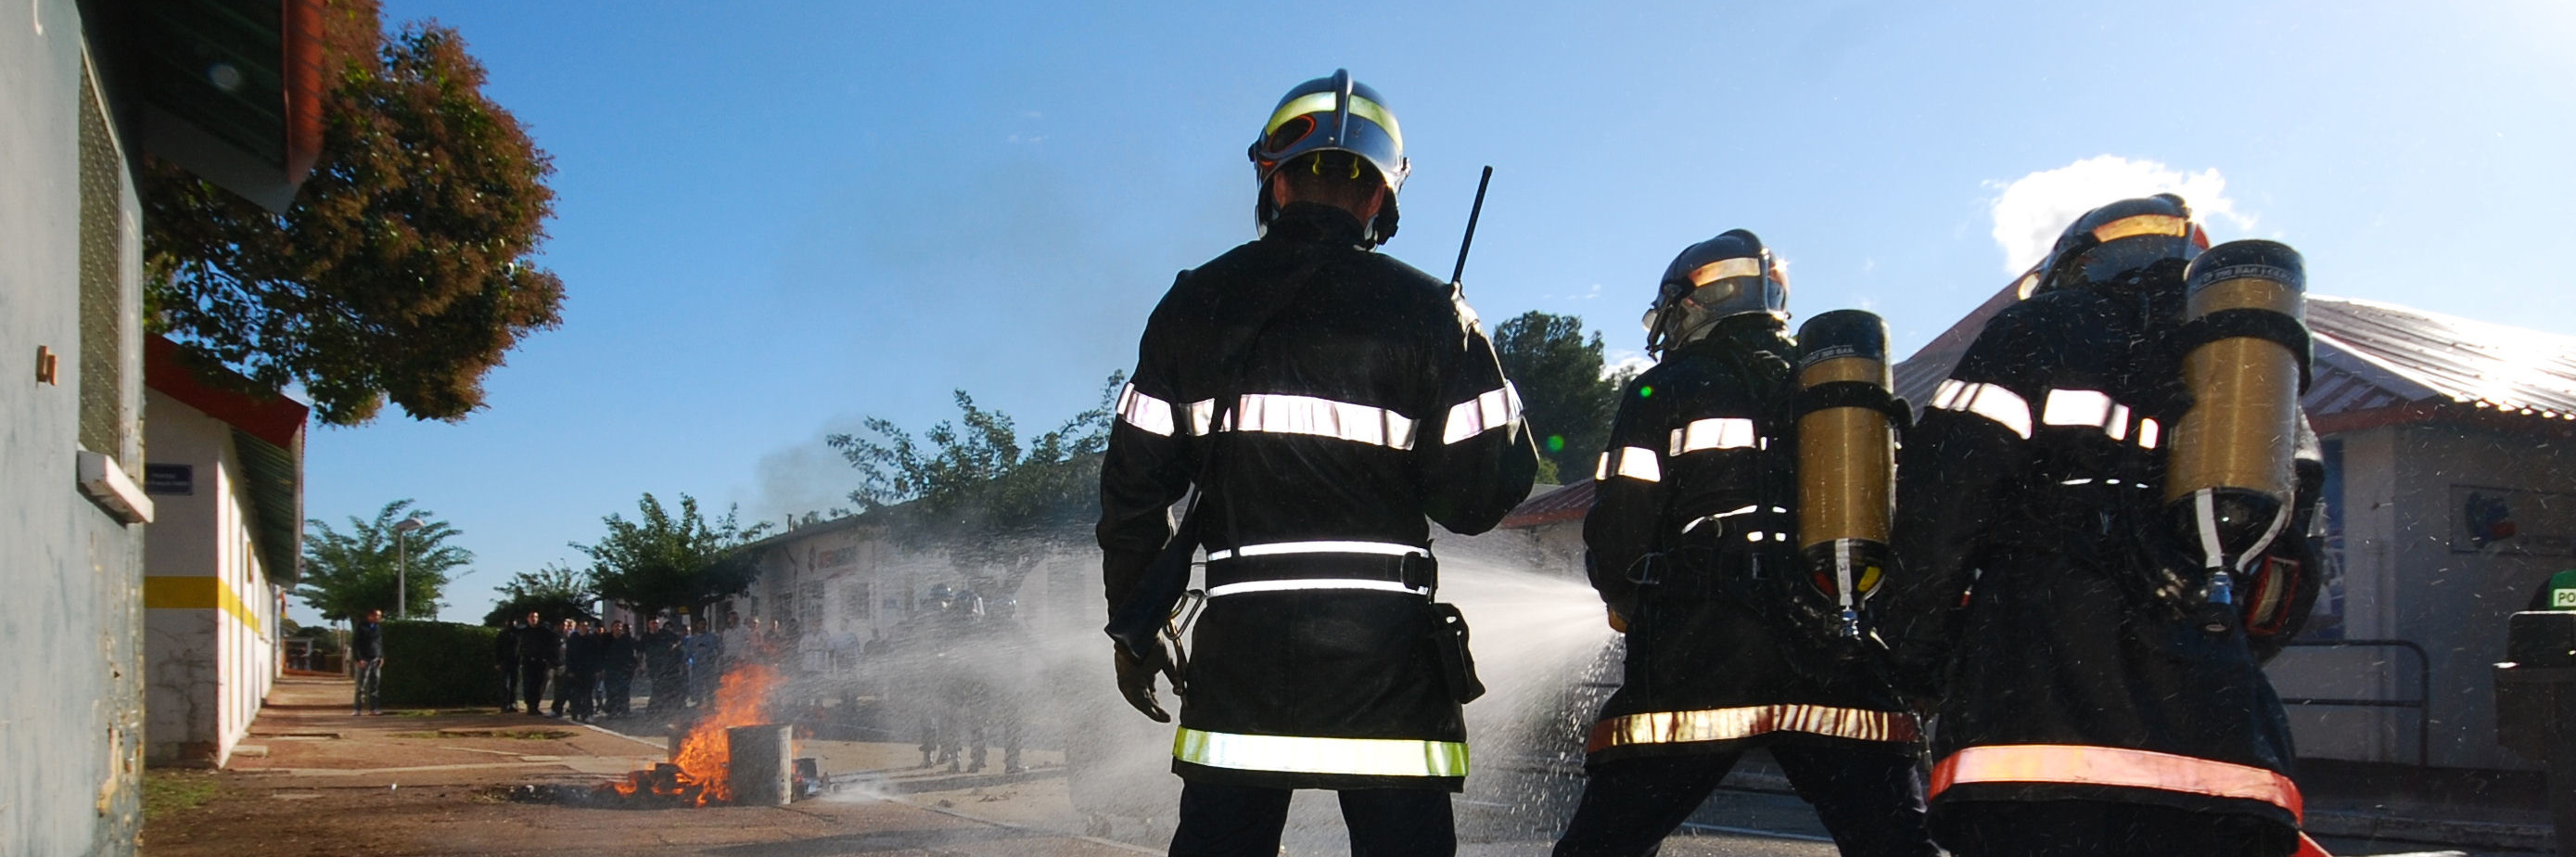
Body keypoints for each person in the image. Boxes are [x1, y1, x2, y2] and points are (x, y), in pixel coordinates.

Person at [1096, 70, 1537, 857]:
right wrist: (1474, 360)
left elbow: (1132, 494)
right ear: (1380, 198)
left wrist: (1136, 623)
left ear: (1274, 179)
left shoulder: (1191, 304)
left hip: (1239, 658)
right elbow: (1476, 498)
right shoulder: (1433, 311)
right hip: (1389, 668)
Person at [1881, 195, 2325, 857]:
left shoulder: (2035, 329)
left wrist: (1917, 658)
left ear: (2078, 262)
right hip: (2227, 750)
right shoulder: (2255, 379)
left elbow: (1940, 506)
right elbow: (2290, 576)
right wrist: (2200, 640)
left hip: (2038, 740)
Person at [1552, 232, 1935, 857]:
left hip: (1699, 650)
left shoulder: (1665, 387)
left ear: (1693, 304)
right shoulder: (1833, 389)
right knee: (1896, 844)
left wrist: (1624, 596)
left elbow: (1622, 522)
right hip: (1834, 647)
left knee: (1604, 847)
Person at [516, 611, 560, 716]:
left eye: (535, 617)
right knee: (528, 684)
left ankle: (535, 706)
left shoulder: (544, 631)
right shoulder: (523, 632)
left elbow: (553, 642)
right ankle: (529, 705)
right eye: (531, 617)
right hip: (527, 662)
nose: (534, 619)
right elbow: (519, 646)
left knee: (539, 685)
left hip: (540, 662)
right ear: (528, 618)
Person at [643, 617, 685, 714]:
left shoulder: (665, 634)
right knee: (656, 686)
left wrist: (674, 646)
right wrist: (642, 663)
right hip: (653, 666)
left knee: (665, 687)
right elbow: (642, 650)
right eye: (653, 623)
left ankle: (663, 707)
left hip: (666, 665)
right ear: (649, 625)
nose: (655, 625)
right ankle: (653, 709)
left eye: (656, 623)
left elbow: (678, 640)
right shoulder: (646, 636)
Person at [351, 608, 386, 715]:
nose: (378, 618)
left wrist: (381, 656)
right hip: (364, 659)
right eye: (376, 616)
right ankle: (357, 709)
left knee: (374, 685)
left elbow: (379, 643)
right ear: (370, 616)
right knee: (361, 685)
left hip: (376, 659)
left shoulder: (378, 628)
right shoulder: (361, 627)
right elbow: (355, 644)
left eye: (379, 616)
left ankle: (374, 708)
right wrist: (359, 658)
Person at [601, 620, 638, 717]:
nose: (618, 628)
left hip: (624, 669)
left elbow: (632, 654)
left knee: (624, 691)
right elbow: (601, 653)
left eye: (620, 627)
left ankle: (624, 710)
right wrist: (602, 667)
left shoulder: (627, 640)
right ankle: (612, 710)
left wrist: (633, 666)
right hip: (610, 669)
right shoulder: (606, 639)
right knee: (611, 691)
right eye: (616, 626)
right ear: (612, 628)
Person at [494, 617, 523, 712]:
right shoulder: (502, 635)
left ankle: (512, 703)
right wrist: (498, 662)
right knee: (505, 684)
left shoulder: (519, 634)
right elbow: (497, 649)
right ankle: (504, 705)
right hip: (504, 662)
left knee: (514, 684)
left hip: (516, 662)